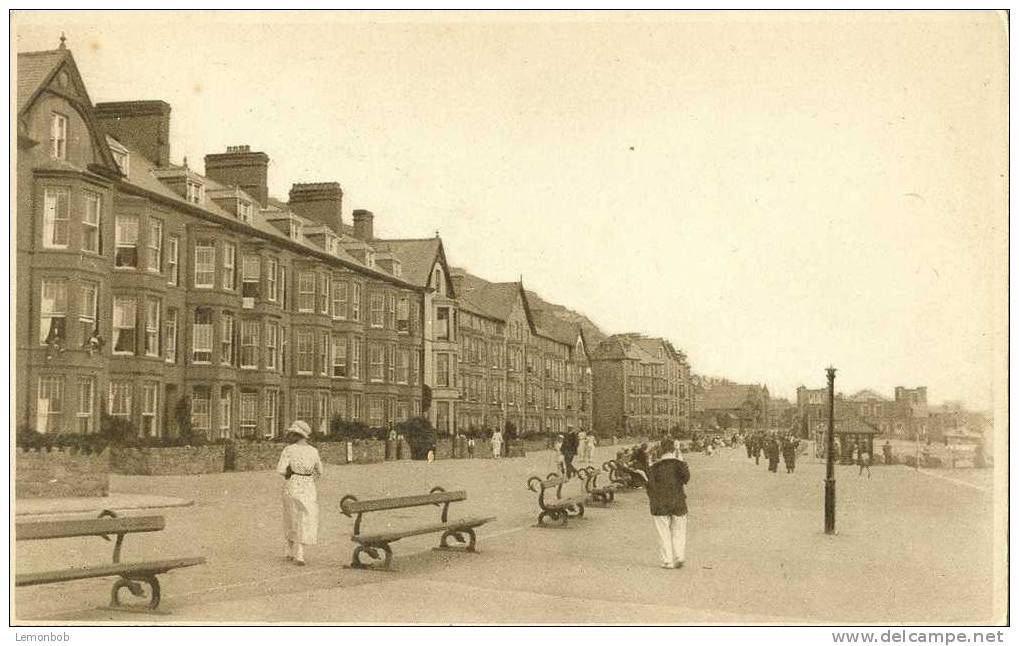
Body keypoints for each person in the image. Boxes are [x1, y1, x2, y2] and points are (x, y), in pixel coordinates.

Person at [276, 420, 323, 566]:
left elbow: (281, 470)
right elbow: (320, 471)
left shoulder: (289, 450)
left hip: (293, 483)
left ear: (296, 435)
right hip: (308, 486)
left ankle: (290, 549)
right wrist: (309, 478)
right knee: (306, 517)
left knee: (291, 516)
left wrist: (290, 473)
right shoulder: (314, 451)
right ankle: (300, 553)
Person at [638, 438, 690, 569]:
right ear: (673, 449)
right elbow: (686, 478)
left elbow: (650, 485)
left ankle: (667, 560)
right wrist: (681, 458)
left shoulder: (654, 467)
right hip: (678, 502)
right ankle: (679, 556)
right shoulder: (680, 464)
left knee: (663, 532)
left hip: (660, 504)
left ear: (660, 450)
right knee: (679, 530)